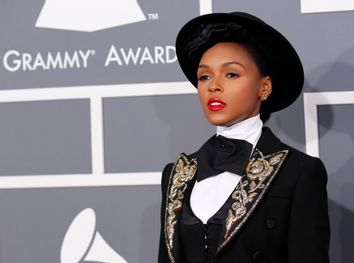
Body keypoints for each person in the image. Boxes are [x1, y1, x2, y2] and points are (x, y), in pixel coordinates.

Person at [158, 12, 330, 263]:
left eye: (231, 74)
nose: (213, 86)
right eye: (205, 76)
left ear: (264, 87)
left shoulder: (299, 172)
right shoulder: (175, 175)